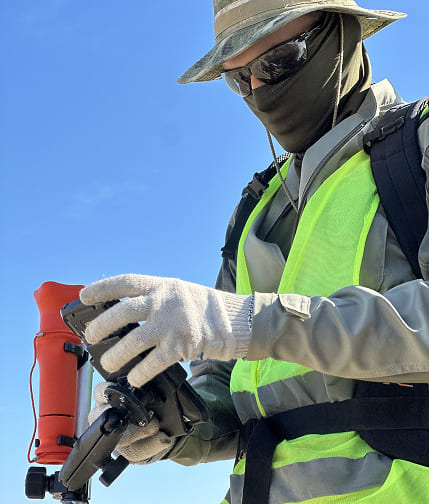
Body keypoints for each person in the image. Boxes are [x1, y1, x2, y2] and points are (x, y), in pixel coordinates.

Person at [80, 1, 429, 502]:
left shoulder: (418, 145)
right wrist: (173, 426)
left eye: (278, 61)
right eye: (238, 79)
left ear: (343, 33)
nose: (259, 89)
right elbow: (232, 386)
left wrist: (250, 323)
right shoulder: (256, 207)